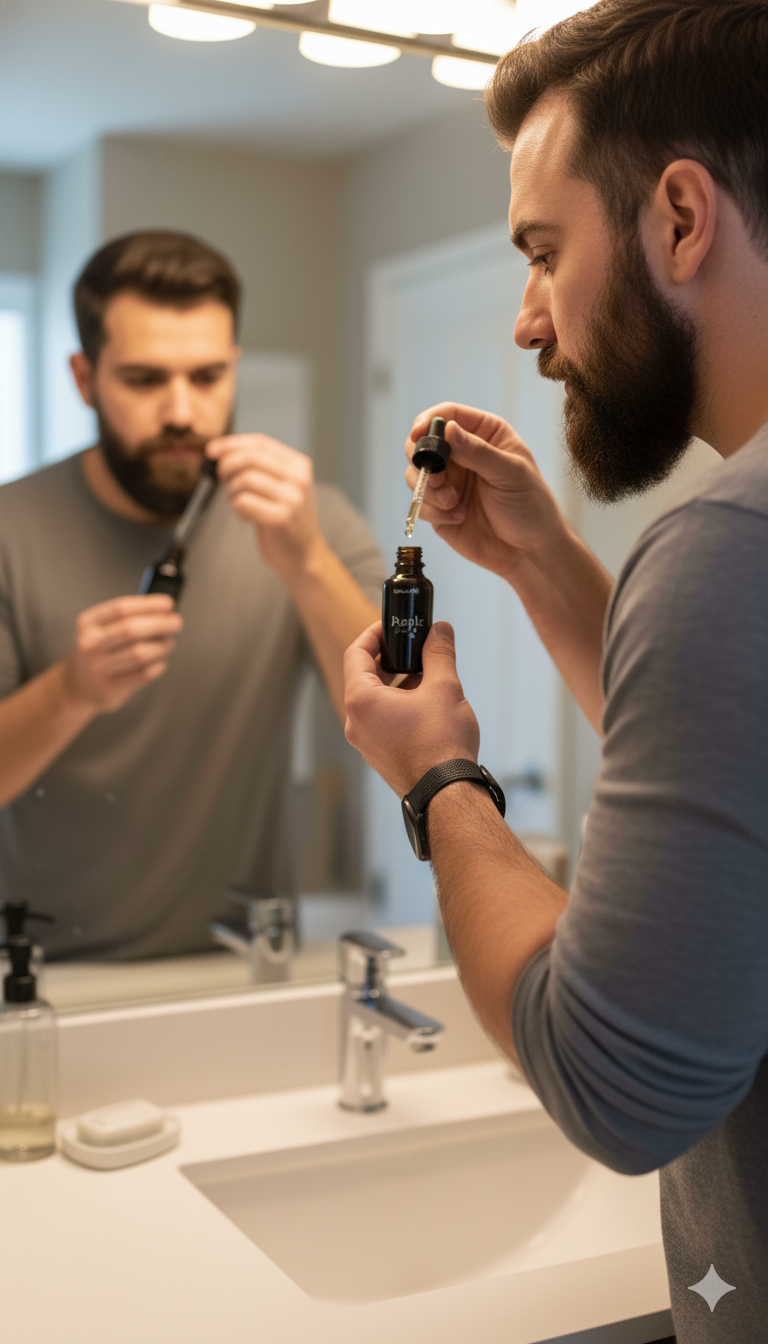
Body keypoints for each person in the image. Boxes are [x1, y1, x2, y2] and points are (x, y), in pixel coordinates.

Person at [343, 2, 768, 1340]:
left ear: (680, 219)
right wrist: (543, 564)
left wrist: (437, 778)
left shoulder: (723, 545)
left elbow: (623, 1087)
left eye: (543, 252)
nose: (529, 325)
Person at [0, 230, 382, 960]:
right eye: (145, 380)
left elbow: (398, 720)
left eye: (207, 377)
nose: (181, 411)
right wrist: (71, 691)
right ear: (85, 379)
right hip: (45, 979)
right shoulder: (9, 532)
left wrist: (304, 562)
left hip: (242, 970)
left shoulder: (313, 521)